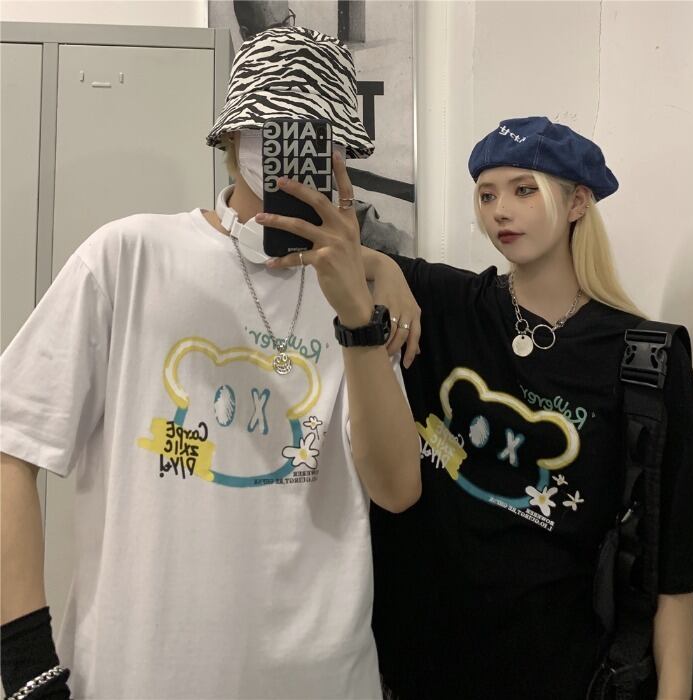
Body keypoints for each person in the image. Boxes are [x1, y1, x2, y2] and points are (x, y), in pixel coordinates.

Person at [0, 27, 420, 700]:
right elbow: (11, 440)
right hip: (137, 675)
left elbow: (397, 489)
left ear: (341, 152)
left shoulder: (357, 294)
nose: (292, 149)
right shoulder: (129, 256)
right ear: (233, 138)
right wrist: (25, 664)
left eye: (317, 135)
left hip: (322, 678)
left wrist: (355, 314)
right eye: (272, 126)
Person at [269, 116, 693, 699]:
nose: (501, 211)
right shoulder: (446, 304)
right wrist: (386, 266)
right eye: (487, 195)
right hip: (417, 668)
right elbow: (336, 258)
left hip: (559, 672)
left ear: (577, 202)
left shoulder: (644, 357)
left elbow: (674, 564)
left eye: (524, 190)